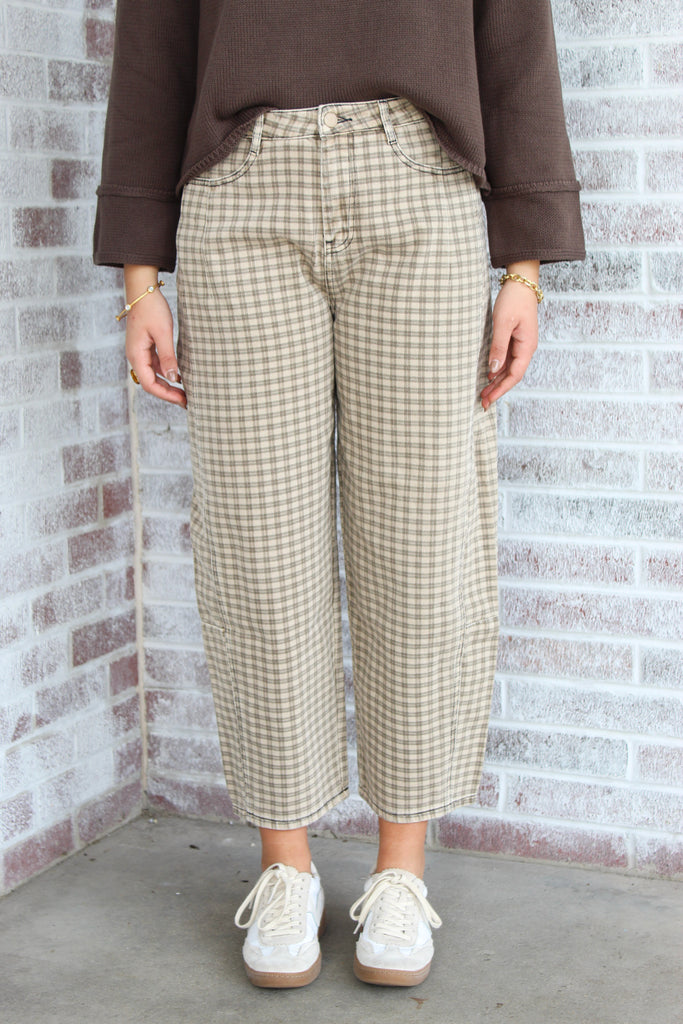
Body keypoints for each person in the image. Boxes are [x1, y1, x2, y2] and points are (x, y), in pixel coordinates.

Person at [94, 0, 585, 991]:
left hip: (421, 186)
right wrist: (140, 278)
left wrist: (523, 268)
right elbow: (155, 43)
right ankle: (285, 866)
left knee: (421, 539)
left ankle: (400, 873)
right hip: (239, 188)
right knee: (257, 540)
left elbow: (511, 37)